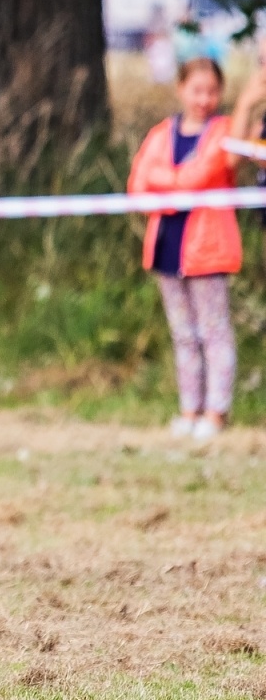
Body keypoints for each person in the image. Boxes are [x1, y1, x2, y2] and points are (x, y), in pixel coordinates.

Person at [128, 55, 266, 440]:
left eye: (212, 91)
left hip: (208, 247)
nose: (204, 99)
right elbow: (139, 183)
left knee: (213, 330)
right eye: (196, 90)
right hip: (167, 245)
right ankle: (189, 408)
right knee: (183, 333)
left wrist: (167, 185)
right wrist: (179, 187)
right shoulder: (160, 134)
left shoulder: (224, 130)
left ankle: (216, 410)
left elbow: (216, 165)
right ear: (180, 90)